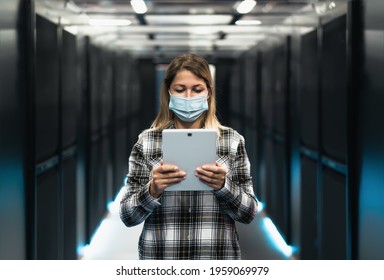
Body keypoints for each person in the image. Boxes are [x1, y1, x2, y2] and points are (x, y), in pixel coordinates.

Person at [119, 53, 258, 260]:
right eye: (180, 89)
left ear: (208, 92)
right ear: (169, 92)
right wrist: (153, 189)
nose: (189, 97)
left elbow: (249, 213)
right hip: (161, 258)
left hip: (215, 257)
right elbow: (128, 216)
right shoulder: (146, 142)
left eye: (197, 89)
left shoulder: (232, 141)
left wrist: (223, 186)